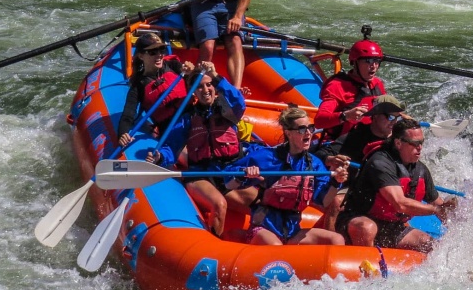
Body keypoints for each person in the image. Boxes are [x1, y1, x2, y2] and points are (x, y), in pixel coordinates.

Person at [147, 61, 248, 237]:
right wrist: (160, 157)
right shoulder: (187, 118)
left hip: (228, 172)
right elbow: (171, 147)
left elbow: (239, 100)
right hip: (201, 176)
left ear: (215, 88)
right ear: (193, 92)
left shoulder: (229, 112)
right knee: (219, 204)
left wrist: (216, 76)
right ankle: (215, 246)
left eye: (209, 85)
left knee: (264, 202)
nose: (206, 90)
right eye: (200, 87)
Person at [337, 116, 457, 252]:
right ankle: (365, 266)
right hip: (357, 220)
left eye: (421, 142)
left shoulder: (421, 170)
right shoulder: (380, 163)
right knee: (367, 228)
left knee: (430, 244)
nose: (420, 147)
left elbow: (439, 205)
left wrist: (453, 219)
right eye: (414, 143)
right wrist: (435, 210)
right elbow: (400, 204)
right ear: (398, 143)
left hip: (392, 227)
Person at [233, 106, 349, 246]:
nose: (308, 133)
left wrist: (336, 182)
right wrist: (245, 175)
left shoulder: (314, 164)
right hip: (263, 229)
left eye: (310, 128)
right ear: (288, 133)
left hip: (293, 232)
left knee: (336, 240)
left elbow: (324, 201)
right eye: (302, 129)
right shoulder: (266, 157)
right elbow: (229, 182)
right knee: (276, 247)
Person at [312, 94, 405, 231]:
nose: (394, 122)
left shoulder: (398, 141)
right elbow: (320, 154)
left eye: (398, 118)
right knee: (337, 202)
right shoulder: (355, 137)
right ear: (376, 116)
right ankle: (331, 244)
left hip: (385, 186)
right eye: (390, 117)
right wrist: (330, 159)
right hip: (355, 187)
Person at [118, 31, 193, 147]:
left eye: (161, 50)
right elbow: (128, 114)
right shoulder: (138, 86)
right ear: (141, 56)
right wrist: (122, 133)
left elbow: (195, 85)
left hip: (193, 118)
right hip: (170, 129)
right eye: (153, 52)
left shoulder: (174, 66)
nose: (159, 55)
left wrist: (191, 74)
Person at [315, 38, 387, 140]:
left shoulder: (377, 83)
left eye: (377, 61)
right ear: (355, 62)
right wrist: (346, 116)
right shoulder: (337, 86)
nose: (374, 66)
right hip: (343, 142)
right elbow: (319, 121)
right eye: (368, 61)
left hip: (370, 137)